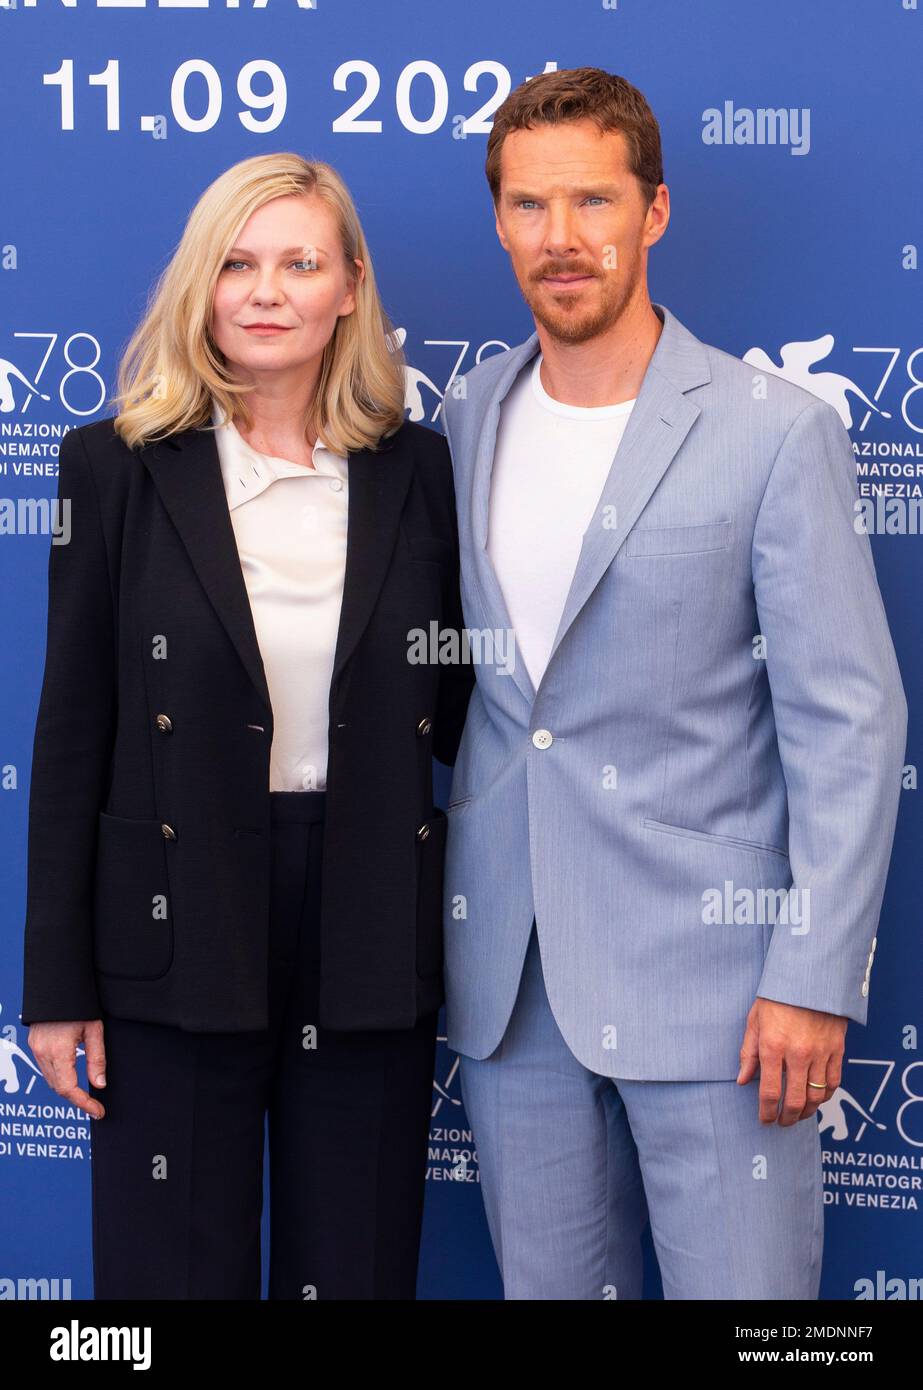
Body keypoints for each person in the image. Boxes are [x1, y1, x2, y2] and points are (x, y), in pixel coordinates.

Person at [440, 68, 908, 1299]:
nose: (561, 239)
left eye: (593, 200)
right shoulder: (466, 412)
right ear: (497, 221)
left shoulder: (770, 429)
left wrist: (810, 978)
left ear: (653, 211)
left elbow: (848, 721)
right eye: (530, 206)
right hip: (511, 988)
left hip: (718, 994)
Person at [21, 152, 473, 1300]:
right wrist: (56, 983)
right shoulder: (112, 467)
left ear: (350, 287)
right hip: (174, 918)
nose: (265, 290)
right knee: (167, 1281)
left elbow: (466, 707)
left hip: (368, 915)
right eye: (236, 263)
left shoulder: (418, 471)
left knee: (356, 1267)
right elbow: (71, 733)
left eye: (298, 262)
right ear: (200, 288)